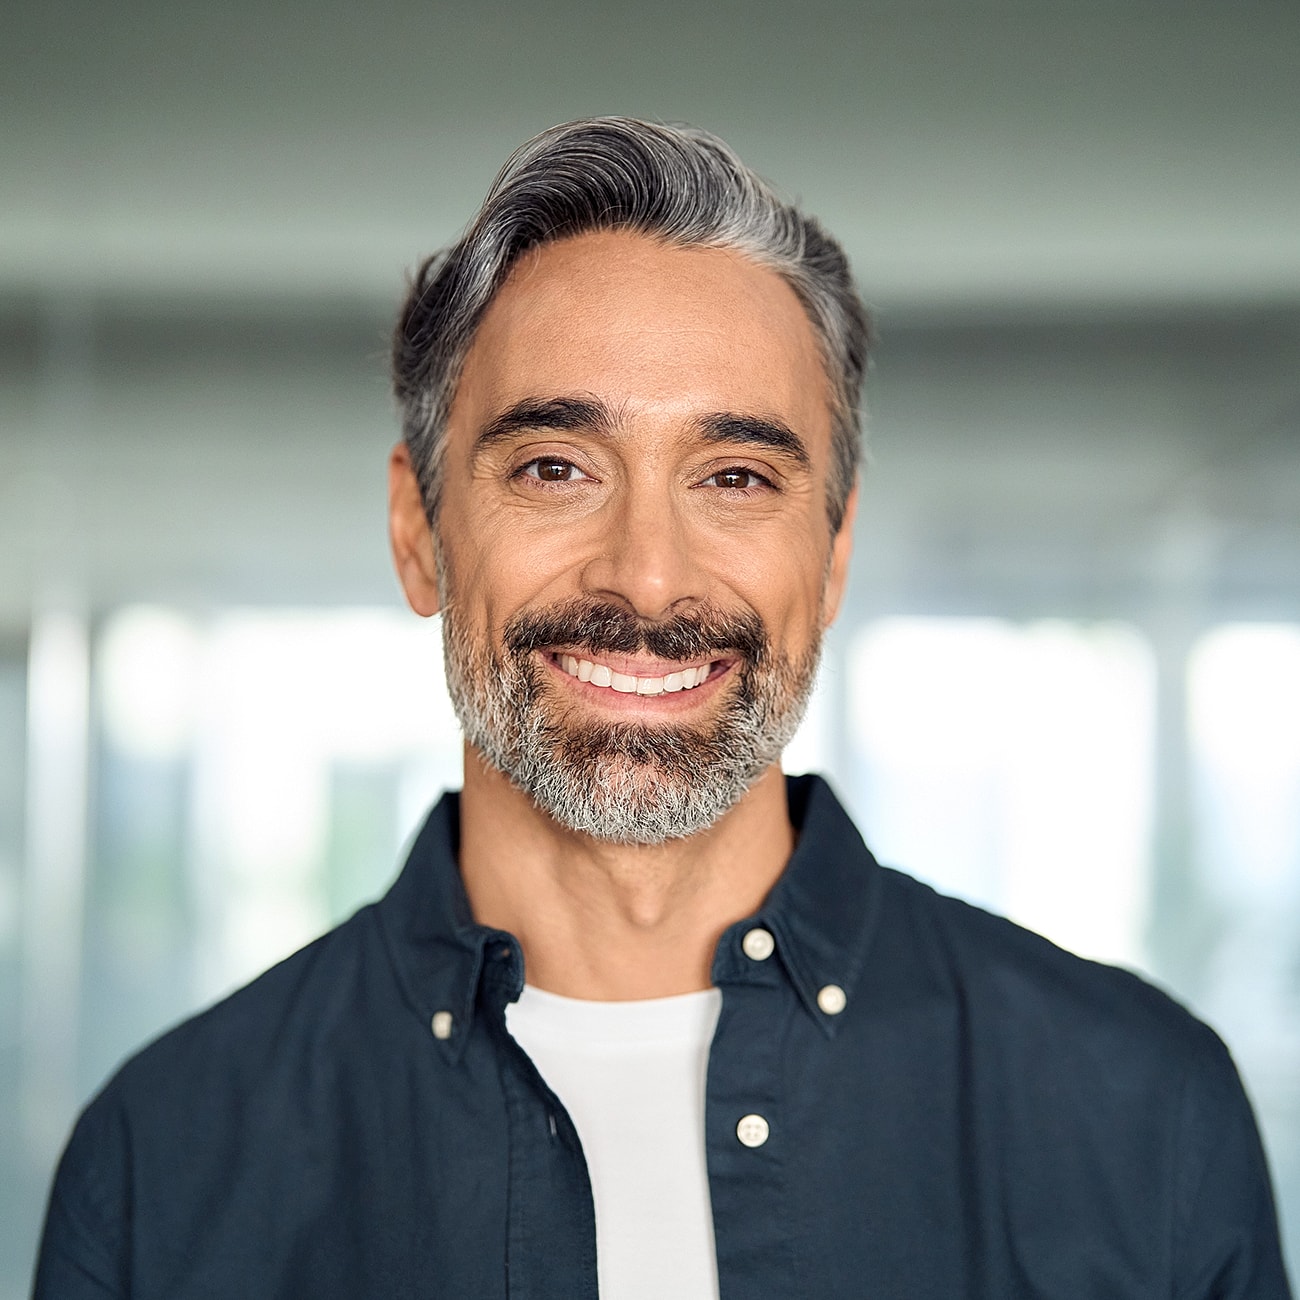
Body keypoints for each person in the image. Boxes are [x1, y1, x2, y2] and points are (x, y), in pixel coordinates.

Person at [34, 117, 1291, 1300]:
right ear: (419, 531)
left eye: (736, 475)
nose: (646, 574)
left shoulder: (1142, 1116)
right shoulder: (167, 1162)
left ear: (835, 553)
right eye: (554, 467)